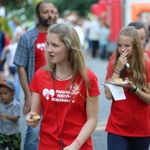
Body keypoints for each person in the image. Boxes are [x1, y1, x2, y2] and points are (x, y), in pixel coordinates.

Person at [26, 23, 100, 150]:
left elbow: (92, 120)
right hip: (47, 145)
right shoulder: (40, 76)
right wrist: (31, 117)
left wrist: (75, 145)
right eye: (48, 44)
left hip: (79, 146)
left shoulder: (88, 78)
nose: (49, 50)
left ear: (69, 47)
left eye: (55, 45)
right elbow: (35, 113)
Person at [13, 1, 56, 150]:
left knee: (57, 131)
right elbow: (20, 67)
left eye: (52, 11)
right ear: (37, 15)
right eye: (46, 12)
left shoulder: (61, 37)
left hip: (58, 92)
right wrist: (28, 95)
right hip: (37, 93)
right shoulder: (27, 37)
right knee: (33, 132)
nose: (50, 15)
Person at [104, 26, 150, 150]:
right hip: (117, 127)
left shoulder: (146, 65)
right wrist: (118, 69)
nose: (122, 50)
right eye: (119, 46)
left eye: (127, 46)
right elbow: (108, 95)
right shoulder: (114, 63)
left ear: (135, 46)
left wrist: (135, 89)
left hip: (141, 129)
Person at [0, 32, 22, 101]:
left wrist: (2, 56)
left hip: (10, 66)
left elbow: (5, 48)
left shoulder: (12, 45)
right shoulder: (20, 46)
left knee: (12, 80)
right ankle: (13, 97)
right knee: (16, 83)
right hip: (16, 66)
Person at [0, 79, 21, 150]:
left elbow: (16, 118)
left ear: (13, 94)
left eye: (5, 93)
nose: (2, 96)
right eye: (0, 93)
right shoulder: (0, 104)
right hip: (2, 133)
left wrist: (8, 116)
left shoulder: (16, 105)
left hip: (14, 134)